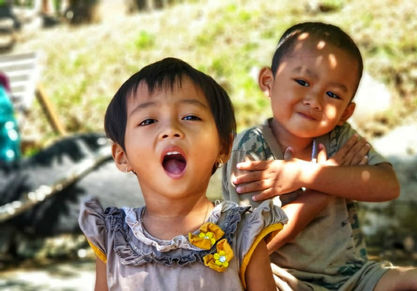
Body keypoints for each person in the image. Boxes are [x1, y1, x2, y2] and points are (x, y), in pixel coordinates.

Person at [222, 22, 417, 290]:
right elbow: (257, 244)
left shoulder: (339, 137)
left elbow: (388, 185)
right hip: (282, 280)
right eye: (302, 82)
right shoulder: (252, 148)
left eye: (332, 94)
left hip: (354, 277)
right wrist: (325, 188)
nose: (314, 100)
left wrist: (303, 174)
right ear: (268, 82)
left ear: (346, 112)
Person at [78, 57, 286, 290]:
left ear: (224, 147)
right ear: (121, 156)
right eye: (148, 120)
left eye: (190, 117)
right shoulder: (113, 238)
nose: (170, 130)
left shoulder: (243, 233)